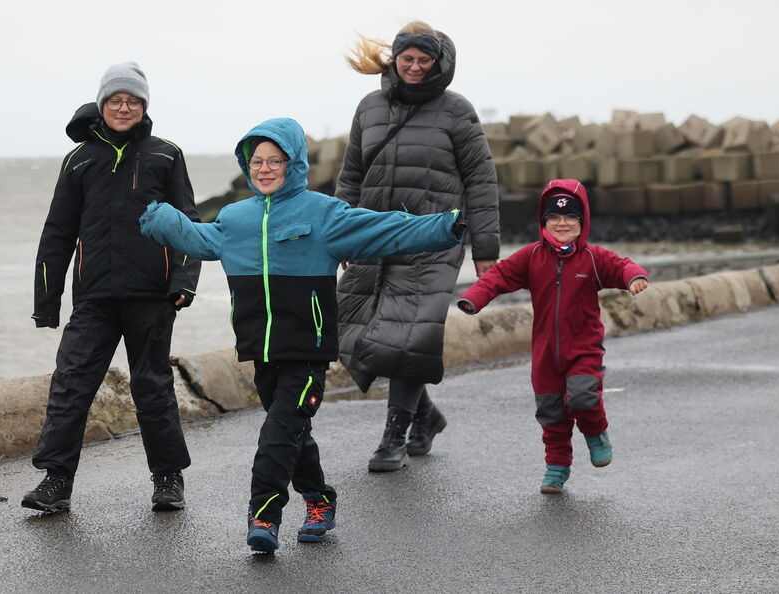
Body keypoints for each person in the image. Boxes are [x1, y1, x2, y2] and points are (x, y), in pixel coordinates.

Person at [139, 117, 464, 552]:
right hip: (261, 352)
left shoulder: (321, 213)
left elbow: (387, 229)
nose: (265, 169)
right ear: (247, 165)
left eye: (276, 160)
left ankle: (264, 517)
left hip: (308, 354)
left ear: (293, 165)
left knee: (275, 437)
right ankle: (319, 498)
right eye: (257, 161)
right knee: (292, 434)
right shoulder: (237, 218)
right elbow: (200, 239)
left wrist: (449, 226)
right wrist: (157, 215)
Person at [23, 61, 201, 513]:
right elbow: (57, 233)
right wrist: (48, 302)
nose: (124, 107)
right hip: (95, 298)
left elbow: (187, 223)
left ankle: (168, 479)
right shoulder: (79, 159)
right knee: (71, 385)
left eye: (133, 101)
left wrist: (184, 280)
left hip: (153, 295)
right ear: (102, 106)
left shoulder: (166, 154)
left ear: (144, 106)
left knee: (152, 387)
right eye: (116, 100)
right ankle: (56, 480)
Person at [335, 20, 500, 472]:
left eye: (423, 61)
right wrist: (338, 233)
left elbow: (481, 181)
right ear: (395, 58)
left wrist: (486, 249)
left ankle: (395, 437)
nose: (413, 67)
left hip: (432, 242)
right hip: (373, 236)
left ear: (439, 64)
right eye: (407, 58)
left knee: (409, 336)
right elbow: (351, 175)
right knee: (349, 330)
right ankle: (426, 416)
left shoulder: (456, 111)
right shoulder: (369, 107)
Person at [456, 179, 648, 493]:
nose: (562, 223)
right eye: (554, 218)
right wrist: (474, 298)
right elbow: (499, 276)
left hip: (583, 347)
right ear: (543, 222)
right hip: (545, 351)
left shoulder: (592, 258)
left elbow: (622, 265)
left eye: (570, 217)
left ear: (582, 221)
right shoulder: (532, 256)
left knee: (583, 398)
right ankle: (556, 468)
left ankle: (596, 432)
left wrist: (635, 277)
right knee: (551, 412)